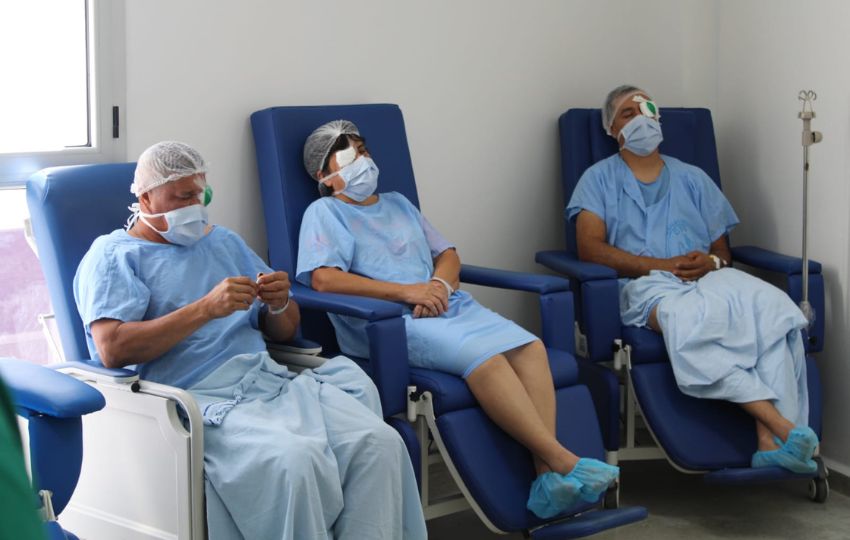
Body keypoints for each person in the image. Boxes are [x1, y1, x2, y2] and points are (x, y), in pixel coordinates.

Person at [73, 141, 426, 540]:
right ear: (146, 196)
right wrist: (204, 309)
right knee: (295, 461)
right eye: (181, 196)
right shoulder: (113, 256)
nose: (195, 205)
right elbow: (112, 349)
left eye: (200, 194)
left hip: (269, 383)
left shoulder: (222, 242)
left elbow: (285, 332)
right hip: (196, 399)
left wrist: (279, 304)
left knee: (379, 444)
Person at [296, 120, 619, 519]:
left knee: (531, 348)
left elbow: (448, 255)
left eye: (364, 150)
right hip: (389, 323)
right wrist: (408, 292)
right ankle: (563, 460)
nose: (364, 160)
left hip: (445, 305)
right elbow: (323, 279)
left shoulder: (398, 202)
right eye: (349, 155)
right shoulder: (324, 213)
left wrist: (438, 287)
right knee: (486, 361)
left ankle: (545, 475)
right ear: (323, 176)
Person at [567, 85, 818, 473]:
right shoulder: (597, 180)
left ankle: (769, 444)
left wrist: (712, 264)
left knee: (774, 311)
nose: (641, 118)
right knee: (693, 323)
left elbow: (723, 252)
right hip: (645, 285)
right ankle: (782, 426)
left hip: (709, 278)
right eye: (627, 114)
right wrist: (659, 265)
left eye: (646, 109)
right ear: (610, 128)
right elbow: (591, 249)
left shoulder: (694, 178)